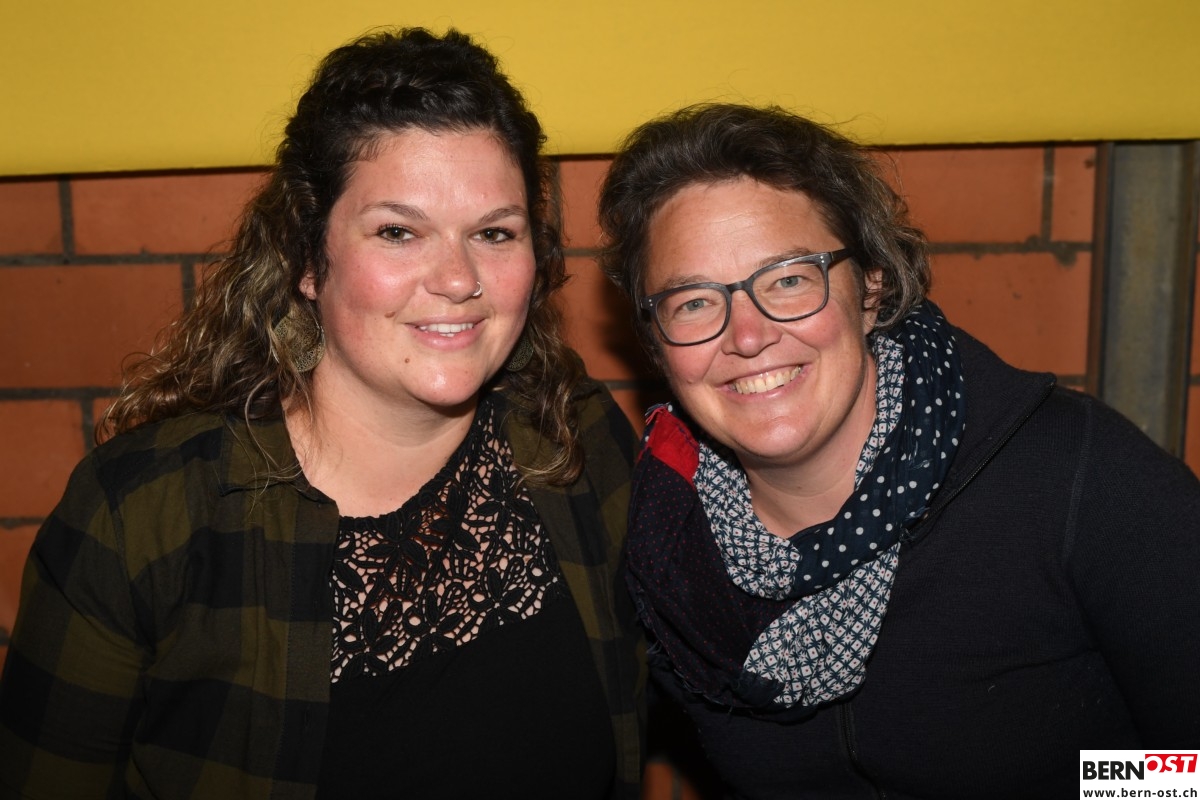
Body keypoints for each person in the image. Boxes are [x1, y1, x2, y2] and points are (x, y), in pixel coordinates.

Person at [0, 28, 643, 799]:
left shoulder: (574, 434)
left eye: (494, 233)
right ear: (309, 258)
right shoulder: (143, 516)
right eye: (398, 232)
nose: (458, 278)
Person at [597, 103, 1200, 798]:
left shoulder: (1075, 477)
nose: (748, 336)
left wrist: (1083, 782)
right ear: (657, 342)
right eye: (694, 302)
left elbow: (1184, 770)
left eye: (789, 279)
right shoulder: (667, 543)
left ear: (871, 287)